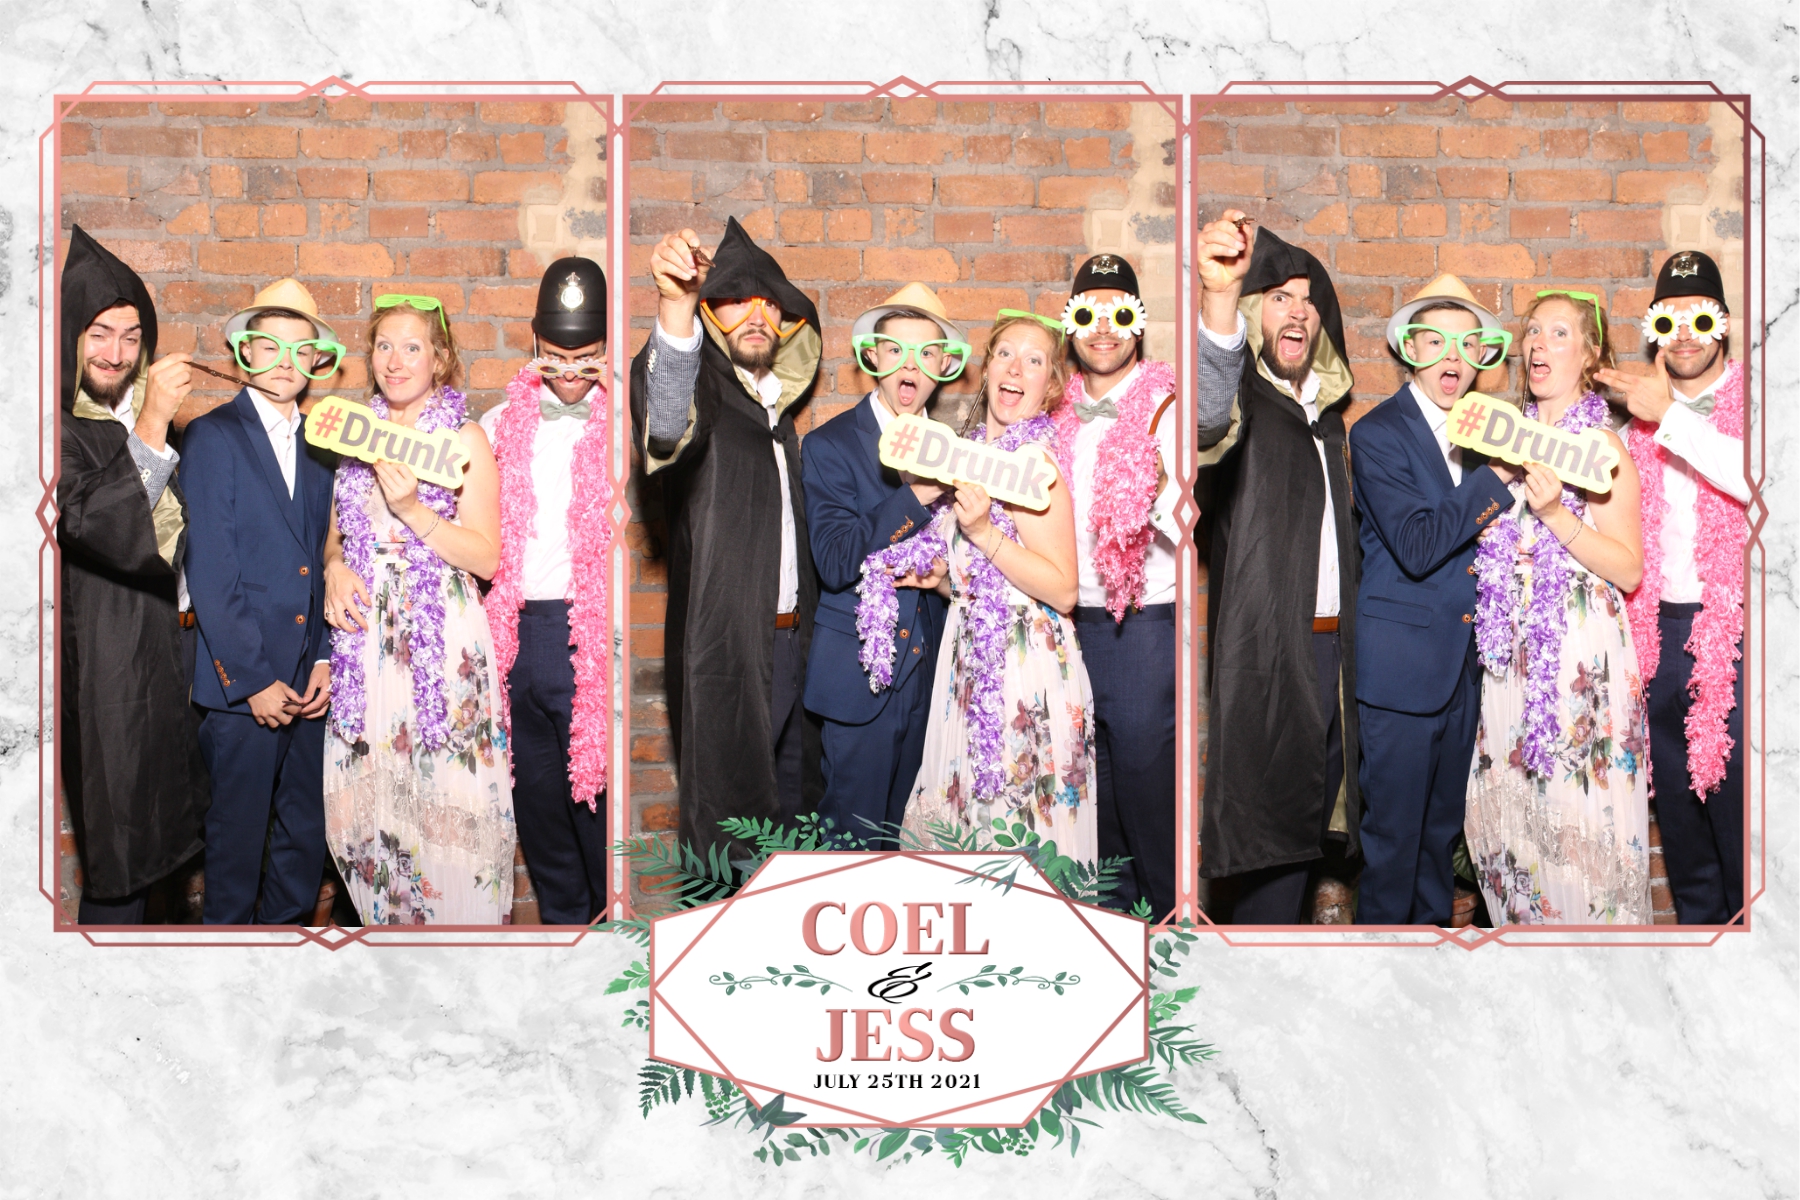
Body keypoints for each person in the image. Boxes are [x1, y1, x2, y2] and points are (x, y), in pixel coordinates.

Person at [632, 217, 824, 857]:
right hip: (727, 652)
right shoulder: (707, 395)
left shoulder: (779, 416)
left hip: (796, 646)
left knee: (797, 820)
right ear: (712, 316)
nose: (757, 315)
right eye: (738, 300)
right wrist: (675, 307)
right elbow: (666, 424)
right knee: (729, 830)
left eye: (771, 304)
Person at [321, 296, 514, 924]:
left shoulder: (464, 439)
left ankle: (458, 949)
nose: (395, 361)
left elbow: (486, 557)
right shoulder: (356, 437)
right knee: (371, 802)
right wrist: (333, 567)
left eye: (412, 347)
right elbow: (335, 538)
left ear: (440, 358)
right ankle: (389, 949)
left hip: (441, 640)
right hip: (366, 642)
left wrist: (412, 511)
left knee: (444, 788)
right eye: (384, 346)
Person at [1193, 215, 1361, 925]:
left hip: (1335, 655)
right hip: (1268, 654)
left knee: (1311, 831)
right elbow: (1206, 419)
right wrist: (1219, 300)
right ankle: (1250, 976)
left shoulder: (1326, 420)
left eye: (1309, 301)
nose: (1296, 312)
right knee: (1269, 841)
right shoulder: (1246, 404)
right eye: (1279, 297)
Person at [1464, 290, 1649, 925]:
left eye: (1560, 333)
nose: (1539, 343)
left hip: (1577, 661)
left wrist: (1554, 516)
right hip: (1509, 661)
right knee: (1510, 837)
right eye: (1533, 331)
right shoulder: (1503, 443)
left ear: (1590, 356)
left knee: (1576, 821)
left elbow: (1629, 568)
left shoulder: (1600, 449)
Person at [1349, 275, 1518, 926]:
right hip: (1402, 672)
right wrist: (1498, 477)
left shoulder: (1483, 433)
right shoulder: (1377, 434)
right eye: (1438, 342)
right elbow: (1418, 545)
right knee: (1393, 846)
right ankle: (1381, 973)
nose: (1454, 356)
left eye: (1468, 344)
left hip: (1462, 673)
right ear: (1410, 348)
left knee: (1437, 841)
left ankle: (1430, 973)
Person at [898, 310, 1095, 862]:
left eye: (1034, 360)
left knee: (1015, 825)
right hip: (965, 660)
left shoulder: (1033, 467)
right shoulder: (971, 457)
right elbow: (984, 581)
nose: (1015, 368)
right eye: (1005, 354)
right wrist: (942, 580)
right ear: (986, 370)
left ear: (1050, 386)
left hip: (1024, 671)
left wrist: (984, 534)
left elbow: (1063, 590)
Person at [56, 226, 209, 925]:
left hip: (166, 659)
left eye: (130, 336)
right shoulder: (55, 425)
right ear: (70, 336)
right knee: (120, 857)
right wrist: (152, 424)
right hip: (108, 669)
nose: (116, 353)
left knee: (163, 850)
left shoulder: (133, 416)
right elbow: (89, 523)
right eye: (99, 334)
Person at [1597, 250, 1750, 925]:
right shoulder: (1631, 429)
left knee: (1745, 838)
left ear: (1724, 325)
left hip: (1738, 636)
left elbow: (1763, 484)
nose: (1684, 334)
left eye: (1700, 317)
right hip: (1656, 636)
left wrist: (1671, 417)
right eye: (1668, 319)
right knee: (1686, 846)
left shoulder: (1764, 406)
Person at [182, 279, 341, 924]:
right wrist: (252, 680)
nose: (285, 363)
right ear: (245, 351)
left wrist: (325, 658)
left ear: (318, 361)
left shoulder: (323, 445)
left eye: (301, 350)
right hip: (243, 689)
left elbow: (325, 560)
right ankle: (227, 970)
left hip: (309, 684)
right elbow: (211, 568)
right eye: (270, 346)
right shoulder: (212, 436)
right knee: (236, 847)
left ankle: (287, 962)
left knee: (305, 839)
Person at [800, 283, 963, 847]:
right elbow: (835, 560)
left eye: (926, 353)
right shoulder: (830, 445)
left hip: (932, 683)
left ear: (943, 366)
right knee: (852, 848)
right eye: (897, 350)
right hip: (859, 685)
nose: (909, 366)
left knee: (916, 849)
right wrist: (917, 495)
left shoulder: (955, 449)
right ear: (873, 356)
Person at [478, 257, 614, 925]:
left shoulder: (627, 428)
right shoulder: (496, 424)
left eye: (585, 357)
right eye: (555, 355)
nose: (568, 371)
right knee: (536, 805)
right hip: (510, 631)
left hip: (586, 634)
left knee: (595, 803)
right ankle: (564, 938)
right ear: (534, 343)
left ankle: (613, 941)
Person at [1051, 254, 1180, 918]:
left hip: (1141, 624)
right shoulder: (1053, 410)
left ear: (1139, 324)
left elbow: (1196, 521)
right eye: (1088, 314)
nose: (1103, 328)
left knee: (1145, 785)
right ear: (1069, 325)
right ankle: (1111, 925)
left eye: (1119, 313)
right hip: (1064, 619)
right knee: (1088, 787)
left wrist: (1159, 494)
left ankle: (1170, 928)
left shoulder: (1169, 407)